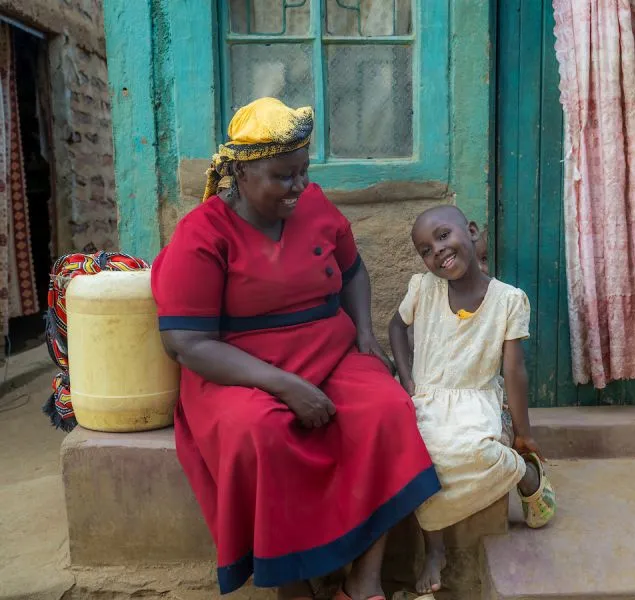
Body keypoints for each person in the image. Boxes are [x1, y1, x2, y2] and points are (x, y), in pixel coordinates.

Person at [151, 97, 440, 600]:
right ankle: (294, 585)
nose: (299, 186)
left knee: (387, 409)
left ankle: (363, 580)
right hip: (239, 369)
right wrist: (285, 386)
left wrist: (365, 334)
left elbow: (353, 272)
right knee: (261, 432)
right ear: (241, 173)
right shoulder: (201, 234)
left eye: (303, 171)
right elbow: (187, 342)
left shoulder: (315, 204)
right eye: (283, 176)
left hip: (330, 351)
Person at [388, 206, 556, 595]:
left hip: (474, 399)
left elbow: (514, 371)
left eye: (444, 236)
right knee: (416, 456)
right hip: (426, 397)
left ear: (472, 231)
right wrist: (408, 376)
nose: (438, 252)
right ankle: (435, 548)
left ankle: (523, 471)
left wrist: (524, 434)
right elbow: (396, 326)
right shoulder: (424, 288)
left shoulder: (509, 300)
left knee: (475, 452)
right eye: (426, 250)